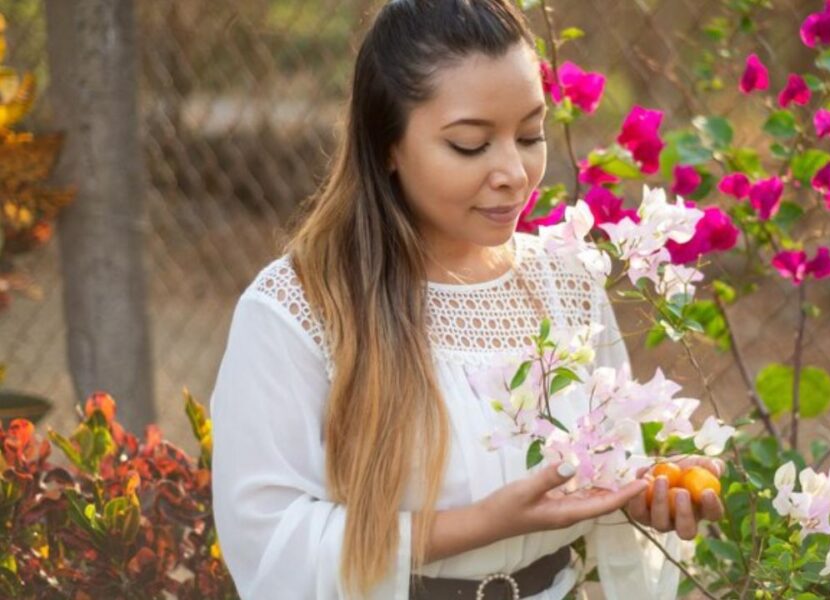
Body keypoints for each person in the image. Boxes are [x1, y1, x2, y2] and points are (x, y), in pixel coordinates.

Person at [209, 1, 724, 598]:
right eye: (471, 145)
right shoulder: (301, 307)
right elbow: (269, 536)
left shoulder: (567, 282)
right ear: (387, 147)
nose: (514, 172)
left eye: (530, 134)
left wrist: (648, 493)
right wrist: (481, 526)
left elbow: (606, 465)